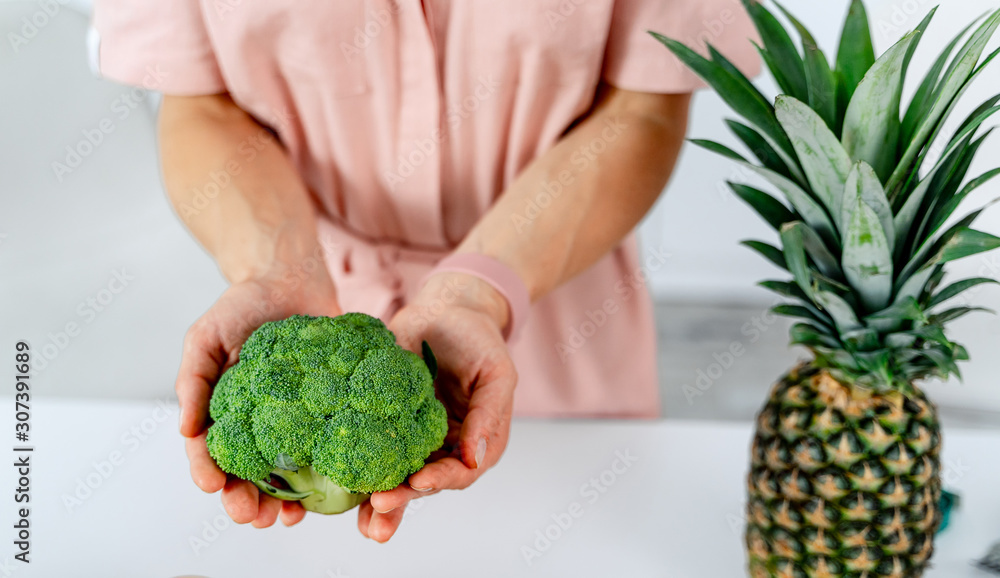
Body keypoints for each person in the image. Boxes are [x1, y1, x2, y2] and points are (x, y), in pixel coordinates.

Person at [92, 0, 758, 542]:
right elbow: (197, 103)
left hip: (553, 304)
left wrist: (480, 290)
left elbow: (643, 107)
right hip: (302, 279)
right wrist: (275, 269)